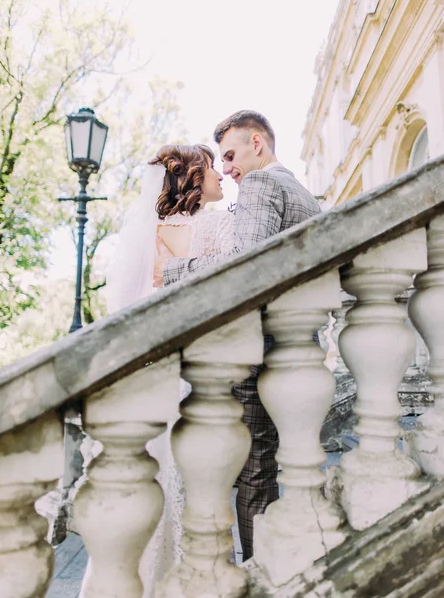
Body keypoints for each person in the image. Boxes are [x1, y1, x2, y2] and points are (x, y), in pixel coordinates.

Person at [156, 110, 322, 561]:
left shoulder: (262, 184)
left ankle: (256, 571)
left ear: (257, 143)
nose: (227, 168)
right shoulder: (303, 193)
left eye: (230, 156)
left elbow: (243, 267)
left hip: (259, 349)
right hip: (299, 349)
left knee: (253, 472)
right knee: (280, 465)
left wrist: (172, 271)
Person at [104, 144, 234, 597]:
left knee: (151, 473)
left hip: (148, 374)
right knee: (195, 475)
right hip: (194, 369)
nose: (221, 175)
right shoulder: (217, 228)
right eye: (213, 168)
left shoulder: (144, 234)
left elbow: (121, 309)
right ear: (195, 179)